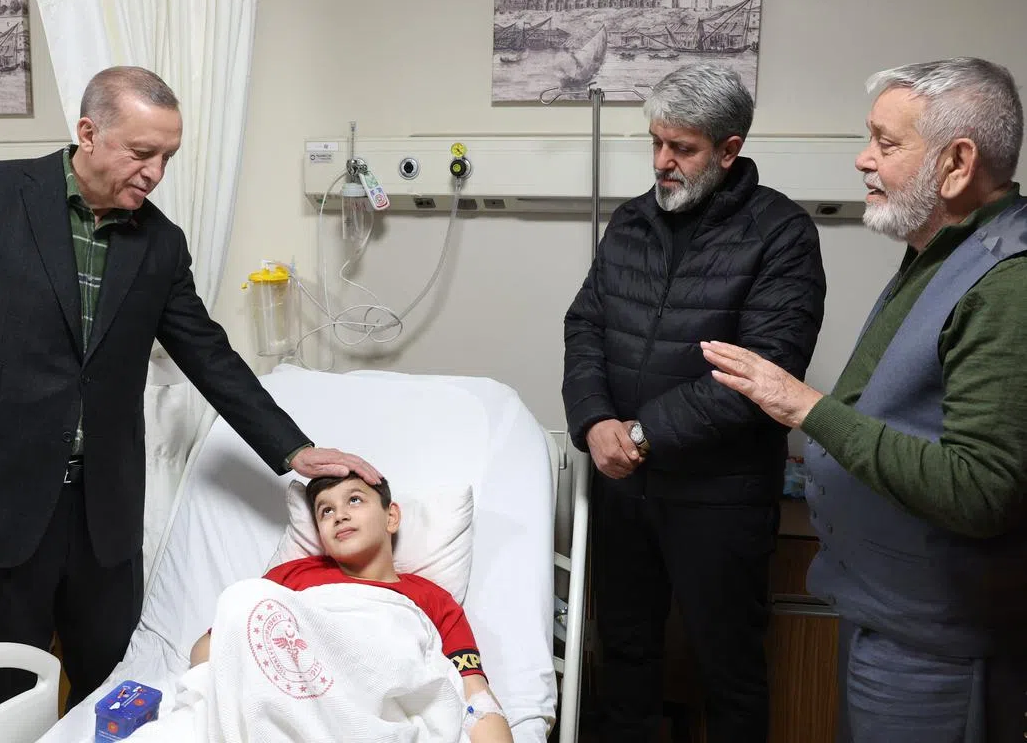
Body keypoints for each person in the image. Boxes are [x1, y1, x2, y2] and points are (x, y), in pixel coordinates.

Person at [0, 66, 380, 723]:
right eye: (142, 152)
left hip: (102, 515)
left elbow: (208, 353)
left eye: (167, 157)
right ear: (89, 134)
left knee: (115, 690)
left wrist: (294, 449)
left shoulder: (161, 244)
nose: (154, 172)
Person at [702, 57, 1027, 743]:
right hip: (890, 618)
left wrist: (803, 408)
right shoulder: (942, 250)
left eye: (886, 142)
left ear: (957, 162)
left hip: (937, 650)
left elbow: (981, 490)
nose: (862, 159)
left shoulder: (1007, 285)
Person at [561, 63, 825, 742]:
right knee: (622, 658)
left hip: (720, 496)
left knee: (728, 669)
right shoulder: (630, 223)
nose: (661, 162)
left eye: (682, 148)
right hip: (622, 489)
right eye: (655, 142)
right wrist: (594, 423)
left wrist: (642, 435)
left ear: (729, 150)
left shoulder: (782, 236)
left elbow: (761, 374)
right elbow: (585, 325)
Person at [189, 473, 512, 743]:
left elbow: (475, 693)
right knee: (242, 594)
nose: (339, 514)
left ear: (391, 516)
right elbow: (221, 642)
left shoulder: (432, 598)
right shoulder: (291, 576)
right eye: (325, 511)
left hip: (375, 714)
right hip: (290, 705)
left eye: (354, 500)